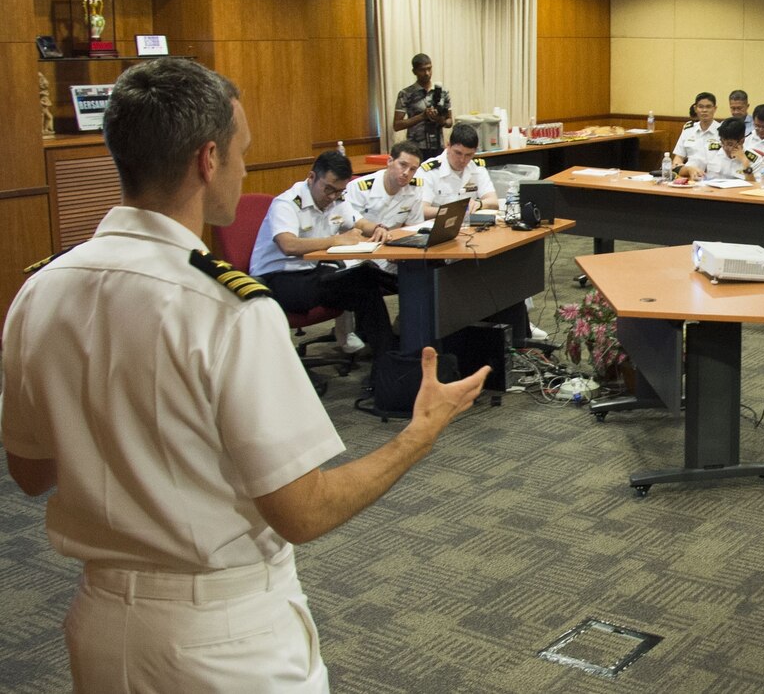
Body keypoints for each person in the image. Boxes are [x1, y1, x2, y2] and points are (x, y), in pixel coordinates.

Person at [1, 57, 489, 692]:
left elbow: (31, 472)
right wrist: (418, 434)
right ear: (208, 160)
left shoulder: (40, 291)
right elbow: (302, 512)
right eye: (241, 152)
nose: (242, 169)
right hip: (222, 637)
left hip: (99, 626)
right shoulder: (230, 309)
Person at [250, 151, 396, 357]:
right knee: (362, 280)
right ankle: (393, 289)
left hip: (311, 273)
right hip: (277, 279)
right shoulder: (287, 203)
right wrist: (336, 240)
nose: (332, 197)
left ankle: (387, 359)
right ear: (311, 178)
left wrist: (377, 228)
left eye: (338, 191)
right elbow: (288, 245)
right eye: (328, 189)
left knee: (366, 281)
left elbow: (359, 222)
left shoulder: (336, 198)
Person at [345, 141, 426, 277]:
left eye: (413, 169)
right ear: (389, 161)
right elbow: (349, 226)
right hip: (360, 252)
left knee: (425, 269)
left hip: (392, 251)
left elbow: (412, 229)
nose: (406, 173)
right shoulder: (360, 188)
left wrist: (399, 249)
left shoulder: (414, 189)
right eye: (403, 165)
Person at [419, 125, 498, 217]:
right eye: (458, 153)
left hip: (468, 225)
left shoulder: (477, 169)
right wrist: (453, 211)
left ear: (475, 151)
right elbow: (422, 210)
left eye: (468, 155)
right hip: (437, 226)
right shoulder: (429, 171)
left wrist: (479, 204)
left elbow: (494, 201)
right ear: (448, 146)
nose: (462, 160)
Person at [393, 53, 452, 160]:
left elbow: (449, 122)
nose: (427, 73)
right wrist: (422, 116)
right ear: (414, 71)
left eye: (429, 69)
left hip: (438, 147)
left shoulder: (443, 91)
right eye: (422, 70)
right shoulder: (406, 93)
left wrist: (439, 120)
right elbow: (397, 125)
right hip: (415, 149)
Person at [680, 119, 760, 181]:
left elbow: (755, 188)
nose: (725, 147)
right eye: (722, 142)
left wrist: (745, 162)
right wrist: (689, 169)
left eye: (730, 144)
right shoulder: (709, 149)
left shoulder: (755, 159)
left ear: (741, 141)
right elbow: (682, 171)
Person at [671, 92, 720, 166]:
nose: (704, 110)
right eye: (701, 107)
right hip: (689, 173)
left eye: (708, 107)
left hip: (713, 175)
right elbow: (679, 157)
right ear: (695, 109)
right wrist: (678, 167)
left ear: (715, 109)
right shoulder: (688, 129)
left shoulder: (722, 130)